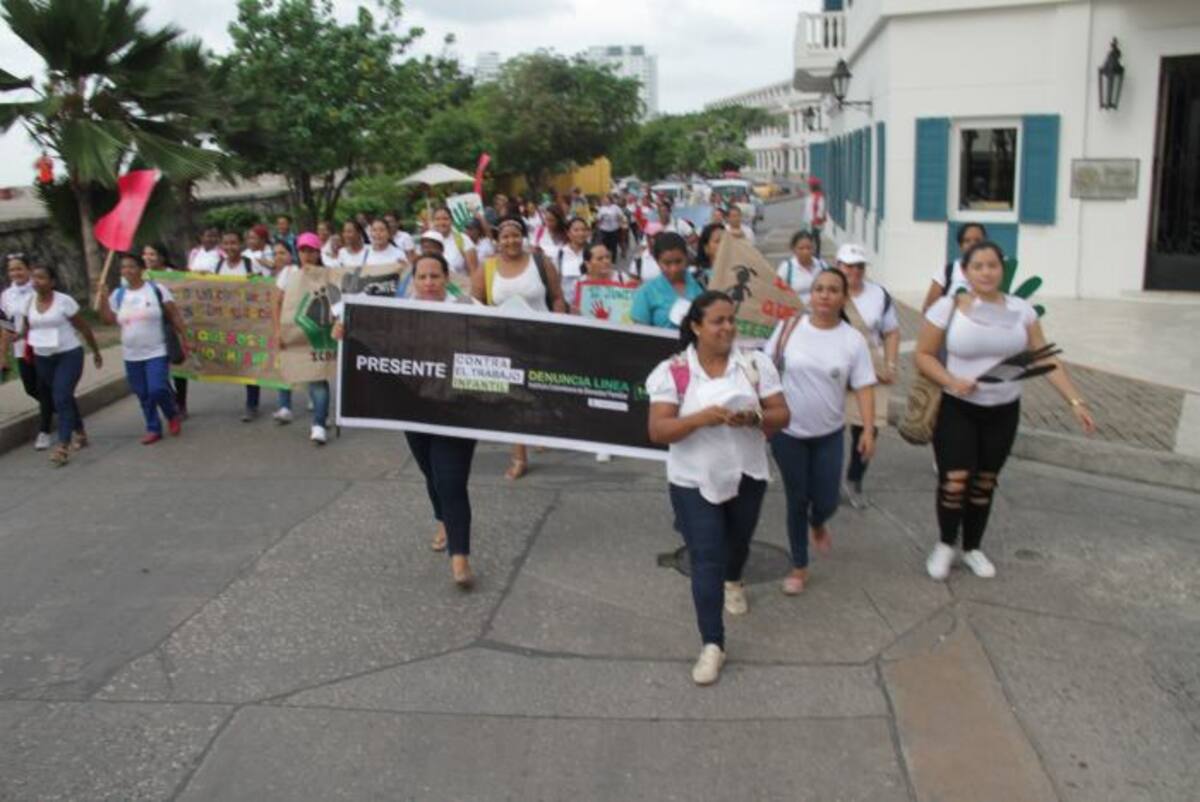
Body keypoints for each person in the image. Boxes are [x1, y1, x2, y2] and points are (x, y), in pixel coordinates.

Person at [915, 241, 1095, 581]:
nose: (986, 272)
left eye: (992, 265)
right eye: (978, 266)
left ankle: (972, 548)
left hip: (1003, 411)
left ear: (1002, 269)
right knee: (955, 482)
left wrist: (1075, 400)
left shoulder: (1020, 310)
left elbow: (1043, 356)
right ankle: (944, 544)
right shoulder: (946, 308)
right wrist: (951, 380)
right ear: (966, 272)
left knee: (985, 481)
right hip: (959, 408)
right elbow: (923, 355)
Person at [646, 291, 789, 685]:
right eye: (717, 321)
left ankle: (735, 579)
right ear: (696, 326)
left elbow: (782, 414)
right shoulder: (673, 371)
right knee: (706, 556)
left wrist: (754, 416)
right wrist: (702, 418)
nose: (727, 328)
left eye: (731, 320)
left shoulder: (754, 364)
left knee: (737, 545)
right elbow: (658, 430)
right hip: (692, 480)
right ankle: (713, 644)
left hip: (747, 473)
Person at [764, 268, 877, 595]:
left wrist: (868, 430)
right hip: (788, 433)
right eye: (819, 289)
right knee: (796, 498)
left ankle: (819, 522)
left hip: (829, 433)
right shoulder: (788, 328)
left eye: (832, 290)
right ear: (810, 294)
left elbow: (865, 386)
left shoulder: (852, 339)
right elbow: (765, 368)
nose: (825, 295)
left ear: (843, 297)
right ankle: (799, 566)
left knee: (828, 498)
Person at [398, 253, 479, 587]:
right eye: (422, 277)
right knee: (429, 470)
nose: (429, 283)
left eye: (435, 276)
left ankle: (459, 558)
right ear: (414, 281)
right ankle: (442, 518)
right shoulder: (397, 314)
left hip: (457, 410)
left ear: (447, 277)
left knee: (450, 479)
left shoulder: (469, 307)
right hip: (413, 409)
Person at [470, 216, 566, 481]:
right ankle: (519, 456)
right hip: (506, 343)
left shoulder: (539, 262)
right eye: (505, 237)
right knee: (515, 399)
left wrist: (558, 323)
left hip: (541, 339)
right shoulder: (487, 268)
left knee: (539, 391)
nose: (511, 241)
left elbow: (557, 297)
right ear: (497, 240)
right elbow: (474, 302)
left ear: (523, 237)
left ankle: (539, 430)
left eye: (516, 235)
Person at [15, 266, 102, 466]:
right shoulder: (29, 302)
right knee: (64, 396)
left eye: (42, 277)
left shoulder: (64, 301)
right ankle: (80, 432)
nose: (36, 281)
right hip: (43, 358)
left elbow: (84, 327)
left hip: (68, 355)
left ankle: (63, 445)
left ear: (52, 282)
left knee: (61, 396)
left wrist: (96, 352)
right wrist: (15, 336)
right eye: (34, 278)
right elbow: (26, 329)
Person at [834, 243, 900, 509]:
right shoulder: (828, 291)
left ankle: (854, 480)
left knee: (866, 430)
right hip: (835, 372)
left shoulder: (878, 295)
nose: (854, 271)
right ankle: (827, 482)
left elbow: (892, 332)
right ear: (838, 266)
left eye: (859, 266)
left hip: (869, 370)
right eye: (848, 265)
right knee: (830, 430)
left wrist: (891, 365)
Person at [99, 253, 185, 444]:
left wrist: (186, 339)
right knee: (143, 393)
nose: (127, 270)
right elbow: (108, 320)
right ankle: (153, 427)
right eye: (123, 267)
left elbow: (174, 315)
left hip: (157, 350)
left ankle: (171, 414)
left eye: (132, 266)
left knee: (157, 388)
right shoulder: (119, 294)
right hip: (131, 353)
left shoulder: (156, 290)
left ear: (142, 270)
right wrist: (103, 298)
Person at [195, 231, 269, 419]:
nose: (230, 247)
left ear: (240, 244)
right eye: (226, 244)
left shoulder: (249, 264)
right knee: (234, 360)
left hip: (248, 324)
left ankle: (252, 404)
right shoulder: (217, 266)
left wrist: (255, 281)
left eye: (234, 243)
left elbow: (262, 290)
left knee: (249, 362)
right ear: (222, 246)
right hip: (226, 325)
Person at [273, 233, 334, 444]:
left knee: (318, 378)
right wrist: (278, 331)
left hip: (320, 335)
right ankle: (285, 407)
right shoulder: (288, 274)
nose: (306, 255)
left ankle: (318, 423)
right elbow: (278, 303)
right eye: (302, 250)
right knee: (290, 371)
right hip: (293, 334)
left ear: (318, 253)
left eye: (311, 250)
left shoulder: (328, 274)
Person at [1, 253, 53, 449]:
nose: (16, 273)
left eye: (19, 268)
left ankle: (45, 430)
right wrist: (3, 353)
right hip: (21, 349)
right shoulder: (6, 295)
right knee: (30, 387)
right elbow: (4, 324)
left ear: (29, 269)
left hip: (41, 346)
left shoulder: (39, 288)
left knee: (43, 387)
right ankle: (62, 407)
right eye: (12, 269)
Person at [141, 243, 190, 418]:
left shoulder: (173, 275)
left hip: (170, 326)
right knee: (158, 367)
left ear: (162, 256)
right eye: (145, 254)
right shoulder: (141, 277)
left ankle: (181, 403)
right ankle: (173, 400)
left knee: (177, 364)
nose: (148, 258)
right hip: (149, 328)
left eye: (152, 254)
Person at [631, 232, 704, 329]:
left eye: (678, 261)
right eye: (667, 263)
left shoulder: (701, 283)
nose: (674, 268)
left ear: (686, 258)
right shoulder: (646, 292)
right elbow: (640, 333)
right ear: (657, 262)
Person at [921, 222, 988, 311]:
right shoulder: (946, 272)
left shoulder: (993, 272)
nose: (972, 244)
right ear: (961, 246)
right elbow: (928, 309)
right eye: (967, 241)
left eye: (977, 240)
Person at [777, 231, 827, 305]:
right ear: (794, 249)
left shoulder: (822, 266)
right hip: (795, 313)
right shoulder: (786, 268)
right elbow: (777, 292)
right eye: (801, 248)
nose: (805, 252)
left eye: (809, 248)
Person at [430, 207, 478, 277]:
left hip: (460, 286)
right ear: (433, 221)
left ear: (451, 220)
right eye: (437, 219)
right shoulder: (428, 241)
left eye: (445, 219)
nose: (441, 222)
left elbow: (473, 271)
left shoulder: (463, 239)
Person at [556, 216, 590, 305]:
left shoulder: (593, 252)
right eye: (576, 230)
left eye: (584, 230)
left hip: (588, 302)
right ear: (568, 233)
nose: (581, 233)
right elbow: (556, 280)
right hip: (567, 304)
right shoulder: (560, 253)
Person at [694, 223, 725, 287]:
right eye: (717, 241)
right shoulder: (699, 279)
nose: (724, 244)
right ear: (706, 248)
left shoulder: (737, 272)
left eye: (725, 240)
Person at [595, 193, 624, 257]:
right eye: (604, 199)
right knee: (605, 245)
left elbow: (621, 216)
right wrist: (598, 225)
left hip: (614, 229)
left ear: (610, 200)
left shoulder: (615, 207)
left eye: (606, 199)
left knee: (613, 245)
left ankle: (613, 259)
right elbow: (598, 219)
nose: (605, 200)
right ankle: (607, 257)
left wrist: (620, 223)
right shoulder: (602, 208)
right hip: (604, 229)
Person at [806, 178, 827, 259]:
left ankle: (816, 254)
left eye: (810, 185)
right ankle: (812, 253)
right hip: (810, 220)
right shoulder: (811, 195)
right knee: (811, 237)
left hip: (816, 221)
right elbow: (808, 208)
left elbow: (821, 209)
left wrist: (817, 219)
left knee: (815, 237)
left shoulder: (819, 196)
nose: (809, 187)